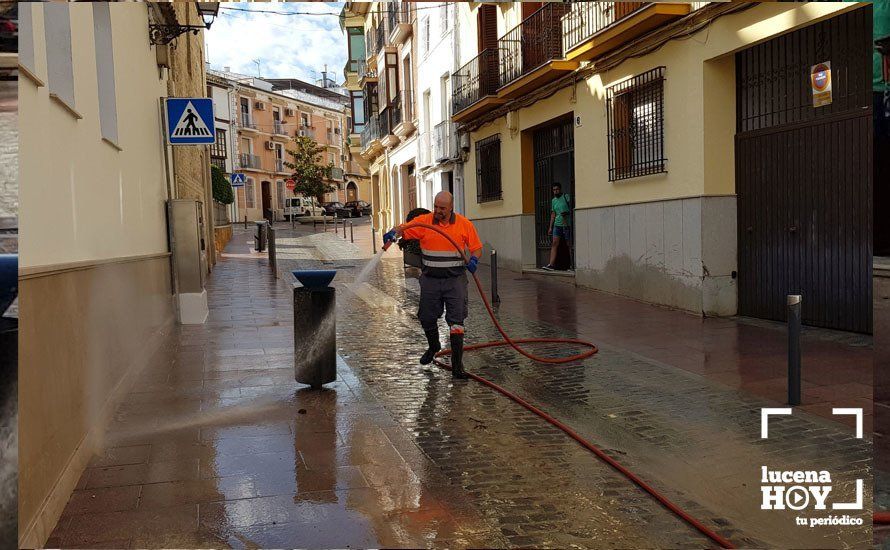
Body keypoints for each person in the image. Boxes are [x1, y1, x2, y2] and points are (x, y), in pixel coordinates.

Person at [383, 192, 483, 379]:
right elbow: (403, 229)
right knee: (426, 317)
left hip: (455, 280)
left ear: (451, 207)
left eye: (442, 208)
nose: (437, 211)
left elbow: (477, 247)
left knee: (456, 322)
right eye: (436, 206)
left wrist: (475, 259)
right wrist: (392, 233)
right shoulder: (424, 221)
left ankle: (457, 366)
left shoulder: (464, 224)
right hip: (431, 279)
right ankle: (434, 345)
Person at [543, 182, 572, 271]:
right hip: (557, 224)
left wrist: (566, 213)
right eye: (554, 190)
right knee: (554, 243)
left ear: (560, 189)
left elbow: (572, 208)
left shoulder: (566, 197)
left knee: (569, 244)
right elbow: (553, 214)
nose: (555, 191)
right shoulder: (553, 201)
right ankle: (551, 264)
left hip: (566, 224)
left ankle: (572, 265)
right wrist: (550, 227)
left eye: (557, 189)